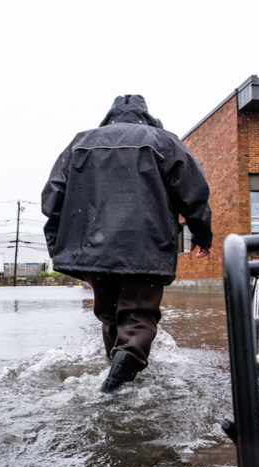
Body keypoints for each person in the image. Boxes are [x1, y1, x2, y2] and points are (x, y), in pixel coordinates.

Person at [41, 95, 214, 393]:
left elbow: (53, 195)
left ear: (110, 116)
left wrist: (56, 245)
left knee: (109, 314)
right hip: (145, 246)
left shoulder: (81, 143)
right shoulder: (163, 142)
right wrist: (202, 235)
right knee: (138, 314)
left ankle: (116, 376)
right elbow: (193, 191)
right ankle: (116, 385)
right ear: (145, 116)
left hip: (93, 249)